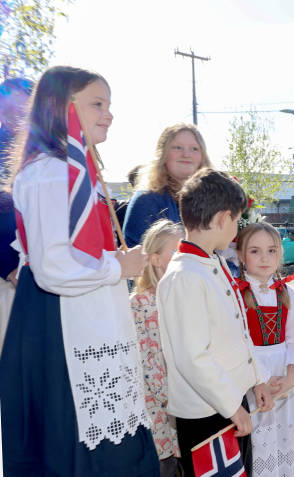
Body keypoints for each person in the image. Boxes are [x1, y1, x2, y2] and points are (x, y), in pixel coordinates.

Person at [0, 66, 159, 476]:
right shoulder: (50, 171)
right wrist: (117, 265)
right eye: (97, 104)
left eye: (109, 105)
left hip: (81, 318)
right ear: (64, 107)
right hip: (61, 326)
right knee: (73, 446)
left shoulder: (71, 170)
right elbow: (53, 266)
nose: (108, 114)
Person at [156, 168, 274, 477]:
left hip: (229, 403)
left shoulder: (213, 262)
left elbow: (235, 332)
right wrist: (233, 408)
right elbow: (194, 358)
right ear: (222, 218)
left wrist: (255, 379)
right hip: (207, 413)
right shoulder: (184, 277)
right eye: (236, 219)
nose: (237, 227)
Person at [236, 222, 294, 477]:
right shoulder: (236, 294)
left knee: (284, 437)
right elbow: (238, 342)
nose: (265, 258)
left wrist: (290, 376)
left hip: (283, 381)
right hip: (254, 379)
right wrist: (262, 379)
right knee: (260, 440)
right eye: (255, 251)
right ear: (241, 255)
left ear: (280, 254)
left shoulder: (286, 293)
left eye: (272, 251)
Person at [130, 219, 185, 477]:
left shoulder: (183, 296)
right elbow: (150, 366)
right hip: (163, 420)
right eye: (176, 251)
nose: (183, 257)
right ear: (155, 259)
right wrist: (177, 404)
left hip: (186, 414)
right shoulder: (141, 303)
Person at [122, 124, 212, 247]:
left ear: (202, 157)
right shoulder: (147, 200)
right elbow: (144, 258)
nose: (186, 154)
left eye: (194, 149)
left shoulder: (206, 200)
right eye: (177, 147)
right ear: (163, 154)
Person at [0, 77, 33, 349]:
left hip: (42, 274)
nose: (17, 113)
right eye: (9, 104)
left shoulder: (45, 154)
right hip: (7, 278)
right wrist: (6, 264)